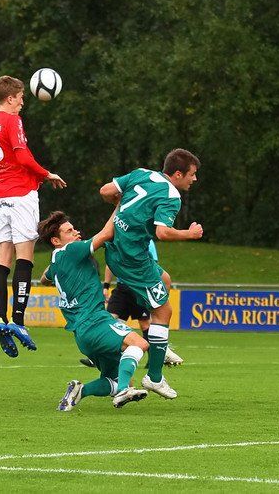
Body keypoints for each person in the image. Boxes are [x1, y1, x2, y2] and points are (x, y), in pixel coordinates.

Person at [98, 148, 203, 399]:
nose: (194, 179)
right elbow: (162, 232)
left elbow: (105, 191)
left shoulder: (141, 173)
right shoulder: (171, 195)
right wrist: (189, 234)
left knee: (164, 279)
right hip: (133, 259)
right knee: (164, 311)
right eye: (192, 174)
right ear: (178, 174)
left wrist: (122, 206)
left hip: (115, 250)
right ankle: (154, 376)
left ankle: (157, 340)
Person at [0, 75, 66, 357]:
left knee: (1, 261)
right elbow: (22, 155)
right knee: (24, 257)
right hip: (20, 195)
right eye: (20, 98)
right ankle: (18, 320)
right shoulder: (12, 120)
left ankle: (0, 319)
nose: (22, 103)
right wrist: (46, 174)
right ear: (10, 98)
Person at [38, 210, 150, 411]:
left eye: (74, 228)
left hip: (82, 334)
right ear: (56, 240)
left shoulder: (57, 260)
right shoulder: (72, 250)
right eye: (69, 231)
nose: (76, 232)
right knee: (139, 343)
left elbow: (43, 279)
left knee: (114, 379)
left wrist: (53, 268)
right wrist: (120, 204)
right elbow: (106, 233)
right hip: (95, 321)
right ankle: (124, 391)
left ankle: (80, 391)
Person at [79, 241, 184, 368]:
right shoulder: (117, 238)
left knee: (145, 323)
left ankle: (157, 356)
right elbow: (110, 264)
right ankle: (98, 356)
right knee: (108, 319)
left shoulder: (147, 242)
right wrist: (106, 285)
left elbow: (153, 266)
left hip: (138, 288)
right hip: (122, 288)